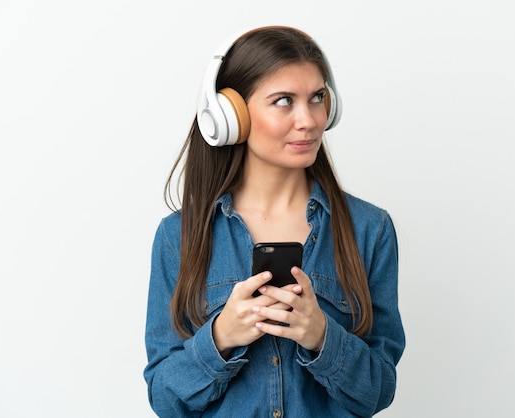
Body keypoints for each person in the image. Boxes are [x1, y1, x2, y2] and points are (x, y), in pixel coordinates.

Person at [143, 25, 405, 417]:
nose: (309, 120)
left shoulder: (370, 230)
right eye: (284, 101)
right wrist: (219, 338)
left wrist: (322, 337)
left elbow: (378, 390)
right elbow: (165, 399)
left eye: (317, 98)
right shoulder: (178, 236)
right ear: (231, 116)